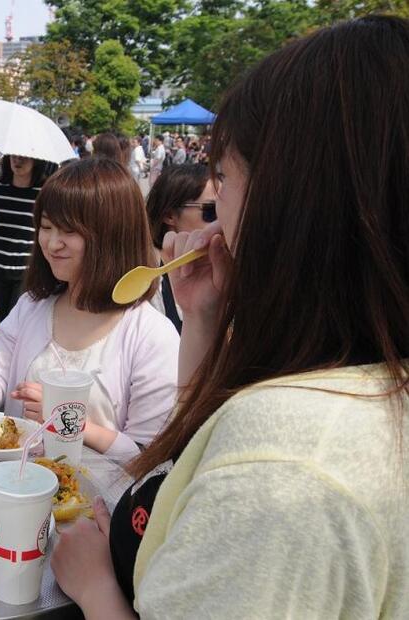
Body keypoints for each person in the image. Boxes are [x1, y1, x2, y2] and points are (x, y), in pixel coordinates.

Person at [51, 16, 409, 619]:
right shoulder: (353, 379)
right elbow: (188, 453)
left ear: (293, 199)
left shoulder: (282, 471)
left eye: (223, 176)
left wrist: (95, 590)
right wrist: (205, 321)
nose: (212, 214)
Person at [0, 157, 179, 461]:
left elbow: (147, 457)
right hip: (16, 489)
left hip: (95, 504)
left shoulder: (151, 334)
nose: (52, 244)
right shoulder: (31, 306)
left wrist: (67, 419)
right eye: (46, 226)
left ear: (113, 235)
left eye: (69, 231)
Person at [0, 154, 56, 322]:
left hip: (27, 269)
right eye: (13, 157)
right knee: (3, 319)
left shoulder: (44, 192)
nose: (17, 161)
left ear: (36, 160)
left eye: (23, 158)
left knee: (17, 320)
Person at [144, 164, 218, 333]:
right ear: (169, 215)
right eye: (211, 211)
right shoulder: (146, 280)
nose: (220, 221)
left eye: (224, 208)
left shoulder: (231, 266)